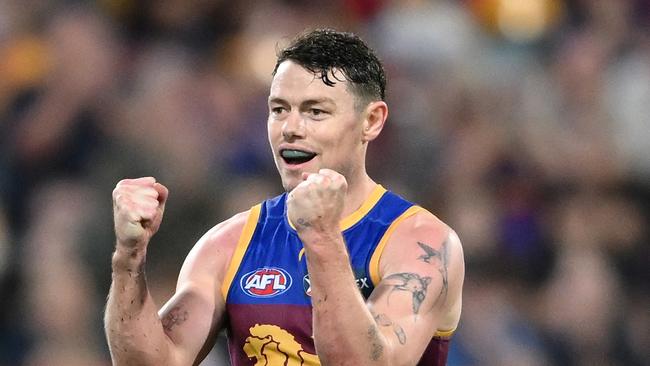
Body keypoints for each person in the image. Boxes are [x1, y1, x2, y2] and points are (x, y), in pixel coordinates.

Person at [105, 29, 464, 366]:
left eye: (315, 111)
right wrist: (128, 258)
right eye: (279, 110)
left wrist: (321, 236)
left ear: (371, 121)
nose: (290, 128)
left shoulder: (423, 243)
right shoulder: (229, 244)